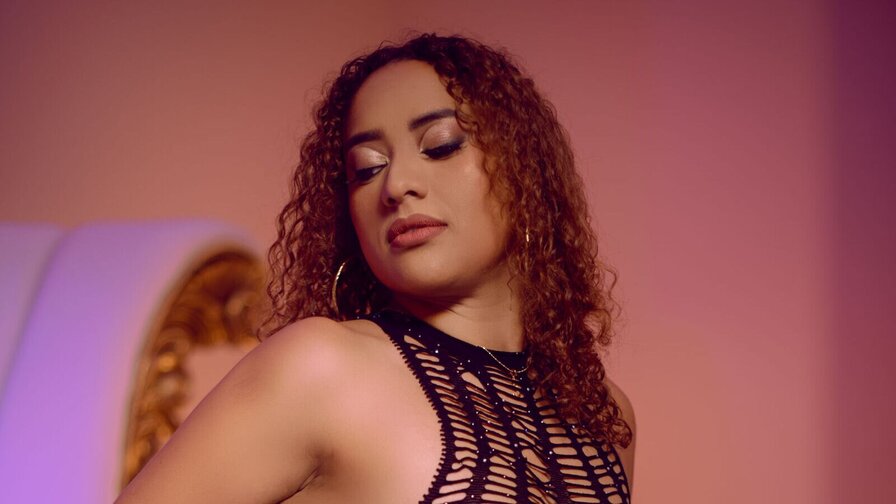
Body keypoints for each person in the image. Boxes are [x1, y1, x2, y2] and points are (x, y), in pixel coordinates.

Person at [117, 33, 636, 503]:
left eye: (440, 146)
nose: (396, 185)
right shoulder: (320, 367)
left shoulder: (605, 416)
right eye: (366, 169)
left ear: (525, 171)